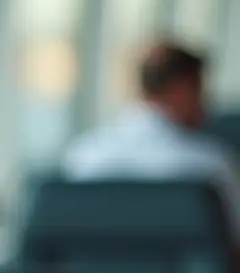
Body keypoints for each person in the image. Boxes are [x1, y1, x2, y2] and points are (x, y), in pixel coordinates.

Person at [63, 41, 240, 246]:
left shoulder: (84, 156)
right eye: (200, 90)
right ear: (181, 88)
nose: (206, 103)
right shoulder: (208, 165)